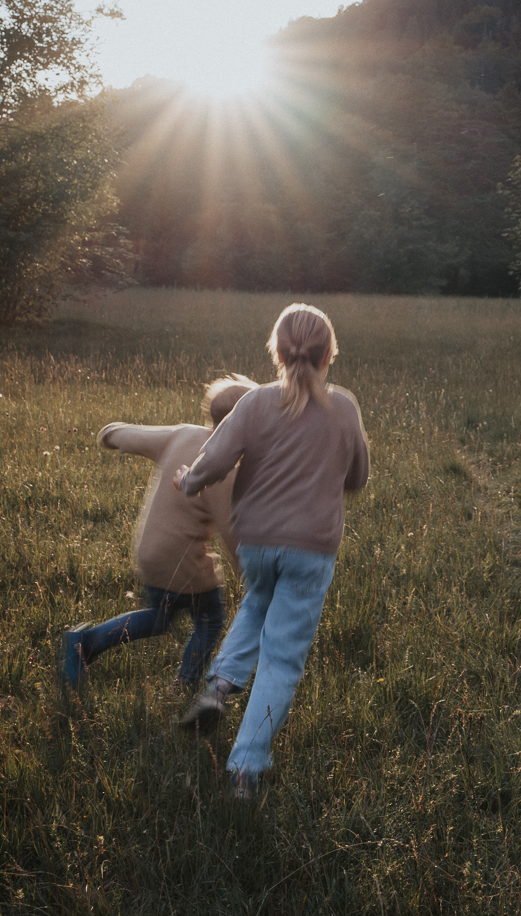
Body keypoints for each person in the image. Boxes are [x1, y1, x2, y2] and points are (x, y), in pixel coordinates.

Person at [173, 303, 370, 797]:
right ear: (329, 356)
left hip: (256, 542)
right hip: (312, 549)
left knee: (256, 606)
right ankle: (245, 768)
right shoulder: (343, 407)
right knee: (282, 658)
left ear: (277, 353)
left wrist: (189, 480)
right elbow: (358, 477)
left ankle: (219, 686)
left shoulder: (256, 402)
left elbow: (215, 458)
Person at [59, 375, 258, 691]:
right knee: (209, 620)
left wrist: (111, 434)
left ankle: (84, 642)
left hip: (149, 550)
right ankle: (186, 682)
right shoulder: (225, 470)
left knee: (158, 617)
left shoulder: (182, 434)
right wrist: (252, 578)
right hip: (183, 562)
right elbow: (232, 531)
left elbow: (124, 435)